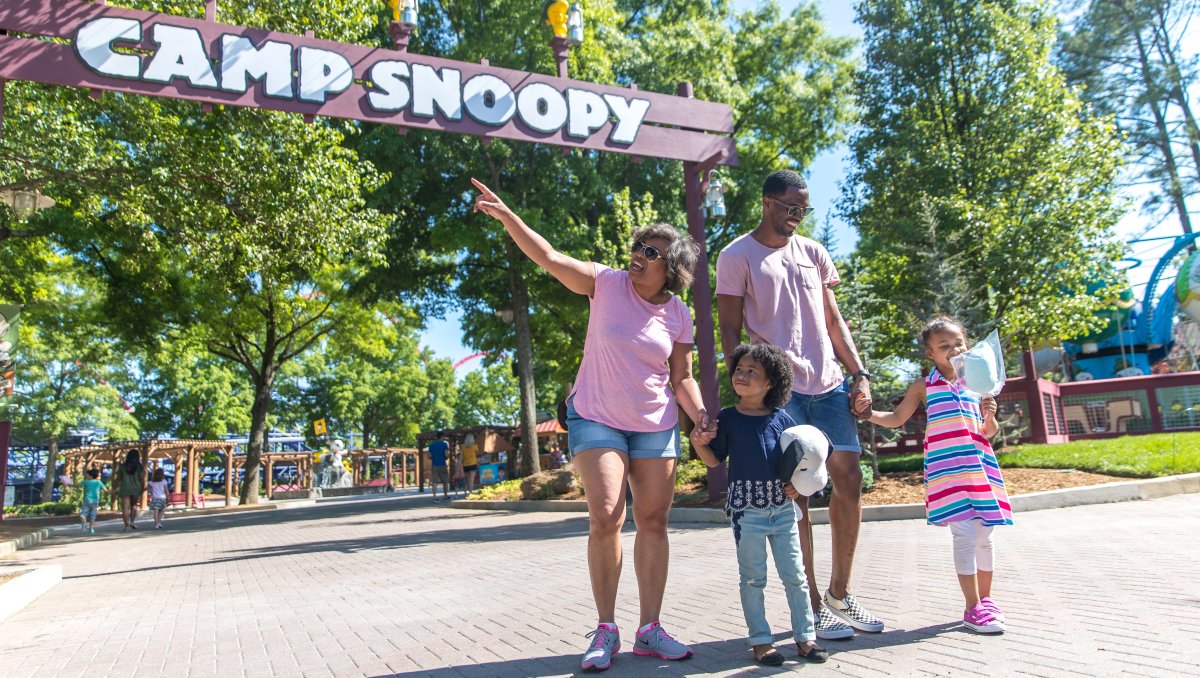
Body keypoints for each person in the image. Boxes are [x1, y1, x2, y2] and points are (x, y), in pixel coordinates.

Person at [473, 178, 711, 672]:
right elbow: (551, 258)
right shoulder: (605, 282)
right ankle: (606, 628)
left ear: (673, 269)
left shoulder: (678, 316)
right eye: (638, 245)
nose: (639, 254)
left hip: (655, 423)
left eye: (652, 251)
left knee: (654, 521)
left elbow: (681, 376)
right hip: (596, 415)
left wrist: (701, 414)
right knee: (606, 515)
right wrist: (508, 217)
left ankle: (650, 629)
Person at [715, 169, 881, 639]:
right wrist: (743, 385)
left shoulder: (813, 252)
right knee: (797, 494)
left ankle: (840, 594)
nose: (797, 217)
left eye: (803, 209)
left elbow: (834, 320)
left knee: (849, 478)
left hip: (828, 385)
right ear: (767, 203)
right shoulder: (736, 256)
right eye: (791, 208)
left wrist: (860, 373)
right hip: (780, 392)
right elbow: (730, 330)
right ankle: (811, 607)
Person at [865, 317, 1013, 633]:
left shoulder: (978, 382)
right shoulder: (924, 386)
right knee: (964, 535)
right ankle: (972, 607)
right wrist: (867, 414)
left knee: (985, 536)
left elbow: (987, 431)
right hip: (947, 471)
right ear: (930, 354)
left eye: (958, 343)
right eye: (944, 346)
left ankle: (986, 601)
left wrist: (990, 415)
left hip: (978, 465)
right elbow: (896, 418)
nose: (953, 349)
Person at [690, 344, 828, 665]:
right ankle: (761, 640)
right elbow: (714, 460)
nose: (743, 374)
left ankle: (805, 636)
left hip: (782, 510)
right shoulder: (727, 418)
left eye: (753, 371)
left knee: (795, 575)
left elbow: (803, 458)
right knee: (753, 577)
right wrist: (698, 444)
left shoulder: (782, 420)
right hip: (746, 512)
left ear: (770, 383)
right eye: (740, 369)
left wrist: (797, 486)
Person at [116, 450, 143, 531]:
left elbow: (118, 478)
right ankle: (132, 522)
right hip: (136, 488)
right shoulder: (139, 467)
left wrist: (115, 487)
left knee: (125, 507)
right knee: (134, 506)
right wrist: (142, 487)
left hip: (125, 487)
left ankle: (126, 525)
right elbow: (142, 478)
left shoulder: (123, 466)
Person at [79, 468, 104, 534]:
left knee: (82, 514)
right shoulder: (99, 482)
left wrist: (68, 484)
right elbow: (106, 490)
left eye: (87, 475)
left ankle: (84, 525)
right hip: (95, 501)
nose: (86, 476)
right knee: (93, 515)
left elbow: (76, 485)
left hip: (87, 500)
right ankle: (91, 528)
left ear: (91, 476)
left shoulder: (86, 482)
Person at [428, 432, 451, 503]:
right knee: (445, 482)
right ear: (442, 437)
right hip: (442, 464)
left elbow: (429, 456)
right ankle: (445, 496)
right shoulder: (444, 445)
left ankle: (434, 496)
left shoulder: (431, 445)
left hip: (434, 465)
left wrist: (434, 457)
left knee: (434, 482)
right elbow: (446, 454)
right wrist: (447, 456)